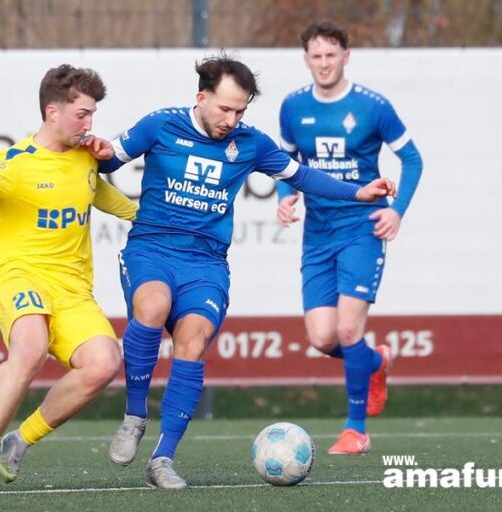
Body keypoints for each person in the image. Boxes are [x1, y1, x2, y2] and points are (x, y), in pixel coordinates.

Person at [89, 54, 395, 489]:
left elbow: (303, 176)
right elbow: (108, 161)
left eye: (240, 111)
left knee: (193, 341)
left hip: (206, 263)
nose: (232, 120)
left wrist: (359, 192)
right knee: (153, 307)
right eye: (225, 108)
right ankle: (135, 415)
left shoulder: (250, 143)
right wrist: (96, 150)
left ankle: (163, 459)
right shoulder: (160, 124)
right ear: (202, 97)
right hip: (152, 249)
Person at [0, 64, 138, 493]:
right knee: (29, 349)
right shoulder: (13, 164)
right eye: (82, 114)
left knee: (103, 363)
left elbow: (100, 195)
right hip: (19, 276)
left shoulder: (85, 158)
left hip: (73, 290)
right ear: (52, 112)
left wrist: (147, 219)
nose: (89, 123)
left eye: (92, 114)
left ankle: (21, 439)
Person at [275, 21, 423, 455]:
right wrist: (285, 198)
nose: (324, 63)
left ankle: (355, 430)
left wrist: (396, 210)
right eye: (316, 56)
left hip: (362, 228)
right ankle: (375, 362)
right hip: (318, 234)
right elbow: (286, 163)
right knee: (323, 338)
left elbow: (413, 160)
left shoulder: (373, 107)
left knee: (347, 327)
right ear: (306, 60)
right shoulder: (292, 107)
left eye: (331, 55)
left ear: (346, 56)